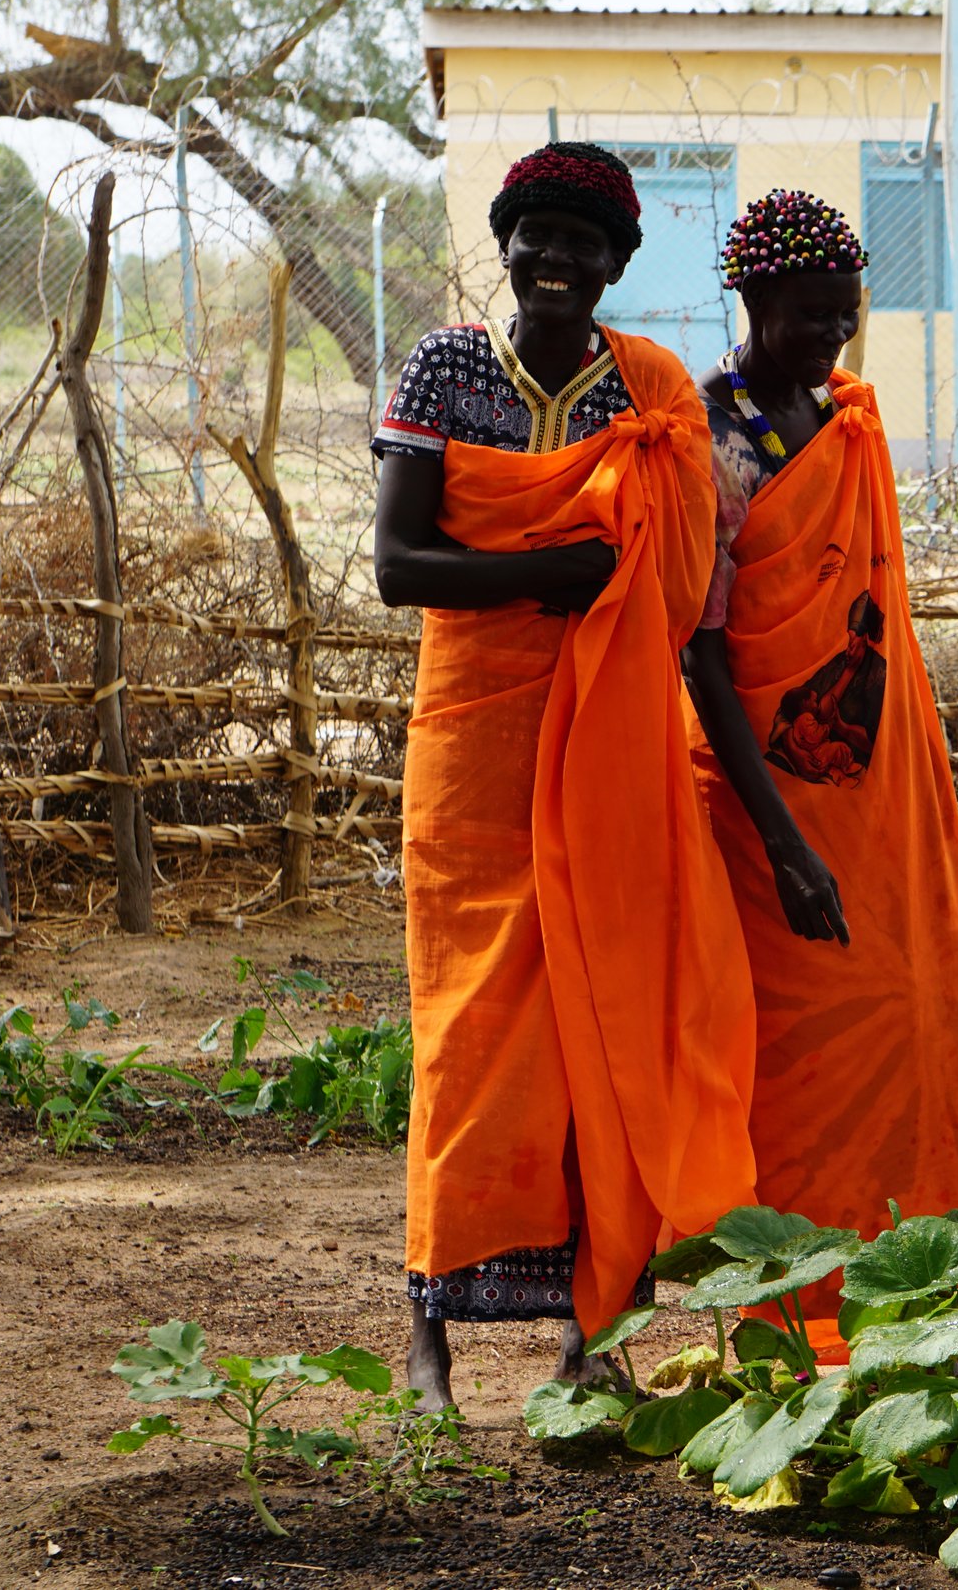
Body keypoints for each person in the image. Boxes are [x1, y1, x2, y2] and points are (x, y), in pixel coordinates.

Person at [373, 142, 760, 1409]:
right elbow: (399, 565)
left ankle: (588, 1335)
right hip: (475, 747)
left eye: (582, 244)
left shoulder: (644, 391)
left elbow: (682, 577)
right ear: (506, 242)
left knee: (600, 1014)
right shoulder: (441, 367)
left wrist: (597, 583)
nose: (555, 260)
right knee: (468, 1029)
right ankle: (430, 1326)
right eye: (534, 236)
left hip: (607, 741)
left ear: (618, 263)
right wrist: (549, 576)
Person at [683, 191, 958, 1361]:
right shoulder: (712, 436)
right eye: (804, 318)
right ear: (750, 303)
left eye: (842, 319)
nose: (827, 342)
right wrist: (786, 840)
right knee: (797, 1055)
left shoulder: (843, 414)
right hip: (765, 806)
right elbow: (699, 647)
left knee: (917, 1013)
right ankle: (797, 1302)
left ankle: (931, 1274)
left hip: (879, 790)